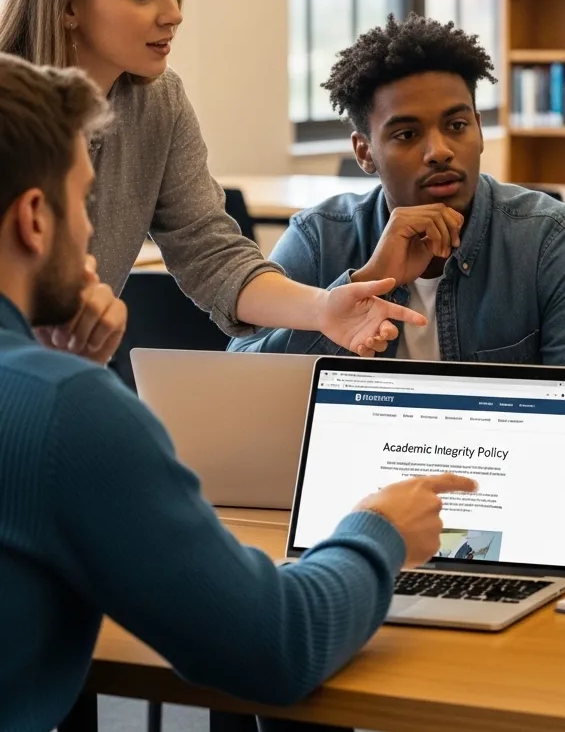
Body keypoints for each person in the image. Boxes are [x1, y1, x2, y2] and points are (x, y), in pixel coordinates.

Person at [0, 54, 477, 731]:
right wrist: (381, 532)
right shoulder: (65, 409)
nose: (91, 230)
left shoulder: (51, 396)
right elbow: (277, 646)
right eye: (83, 200)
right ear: (33, 220)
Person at [0, 0, 424, 364]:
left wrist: (325, 307)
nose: (174, 13)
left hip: (55, 375)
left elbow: (212, 254)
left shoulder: (157, 101)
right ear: (68, 4)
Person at [229, 13, 565, 471]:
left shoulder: (552, 240)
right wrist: (366, 283)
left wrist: (404, 438)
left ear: (479, 130)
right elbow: (241, 397)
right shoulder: (321, 238)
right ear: (365, 152)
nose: (439, 150)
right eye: (406, 134)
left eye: (457, 125)